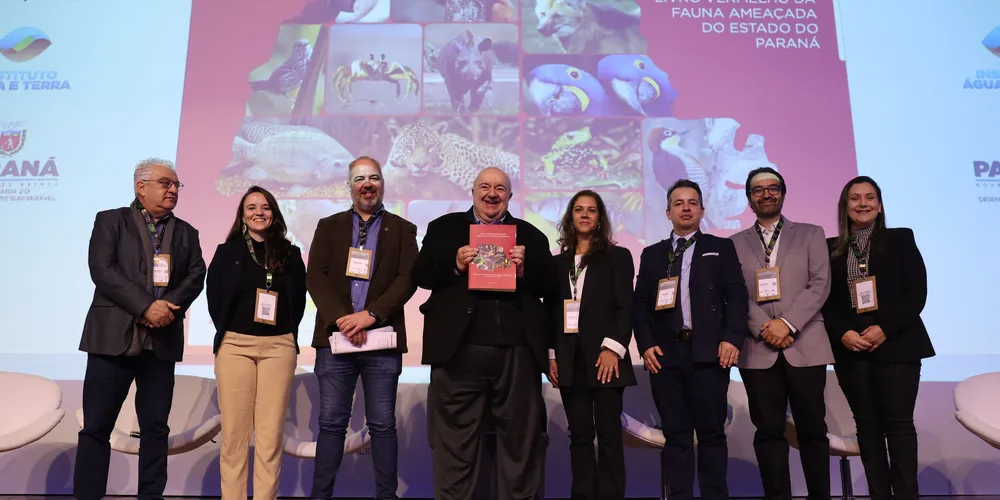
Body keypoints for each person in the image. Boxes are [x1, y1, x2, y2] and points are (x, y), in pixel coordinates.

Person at [416, 167, 557, 500]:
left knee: (522, 442)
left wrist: (525, 270)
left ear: (510, 195)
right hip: (458, 350)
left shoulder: (530, 234)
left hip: (517, 351)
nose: (492, 194)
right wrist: (455, 264)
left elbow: (551, 285)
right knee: (454, 443)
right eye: (485, 187)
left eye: (500, 188)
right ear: (473, 191)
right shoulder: (444, 228)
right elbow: (421, 274)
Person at [75, 158, 206, 500]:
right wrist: (146, 306)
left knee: (156, 429)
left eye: (177, 185)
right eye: (166, 183)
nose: (173, 190)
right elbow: (102, 270)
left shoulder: (187, 232)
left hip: (160, 341)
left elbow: (196, 276)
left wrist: (165, 308)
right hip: (111, 339)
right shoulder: (110, 221)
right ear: (141, 186)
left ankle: (151, 496)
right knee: (96, 428)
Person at [306, 156, 418, 500]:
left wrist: (370, 315)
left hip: (380, 340)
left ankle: (387, 495)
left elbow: (407, 279)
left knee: (383, 425)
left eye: (373, 178)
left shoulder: (402, 229)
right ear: (350, 186)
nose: (366, 184)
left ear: (383, 183)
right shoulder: (328, 225)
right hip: (335, 340)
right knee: (331, 425)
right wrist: (342, 318)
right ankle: (320, 496)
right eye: (359, 179)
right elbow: (316, 276)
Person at [633, 180, 748, 500]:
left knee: (712, 435)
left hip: (709, 353)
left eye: (692, 202)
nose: (686, 207)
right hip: (666, 356)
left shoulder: (720, 247)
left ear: (701, 210)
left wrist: (732, 339)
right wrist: (644, 344)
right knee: (677, 435)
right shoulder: (652, 254)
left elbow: (737, 297)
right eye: (679, 203)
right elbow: (640, 302)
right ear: (668, 212)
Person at [822, 176, 934, 500]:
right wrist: (843, 332)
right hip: (851, 347)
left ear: (880, 204)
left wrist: (883, 327)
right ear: (845, 206)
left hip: (896, 342)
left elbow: (916, 293)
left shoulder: (900, 239)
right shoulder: (829, 248)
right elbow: (823, 299)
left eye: (870, 197)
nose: (863, 204)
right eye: (855, 198)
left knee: (898, 427)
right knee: (867, 428)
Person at [730, 167, 833, 500]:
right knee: (769, 432)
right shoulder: (732, 243)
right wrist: (764, 326)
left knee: (813, 432)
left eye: (772, 188)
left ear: (783, 193)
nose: (766, 194)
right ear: (749, 199)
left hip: (804, 343)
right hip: (758, 348)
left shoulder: (811, 233)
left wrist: (786, 324)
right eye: (757, 190)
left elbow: (819, 284)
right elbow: (734, 294)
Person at [206, 186, 307, 500]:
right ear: (242, 215)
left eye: (265, 207)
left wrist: (288, 334)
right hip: (235, 346)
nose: (258, 212)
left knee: (269, 436)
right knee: (235, 437)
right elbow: (214, 297)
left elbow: (299, 300)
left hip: (278, 348)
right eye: (251, 207)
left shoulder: (290, 253)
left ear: (274, 213)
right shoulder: (228, 252)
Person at [548, 189, 636, 500]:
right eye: (579, 209)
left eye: (592, 210)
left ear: (600, 218)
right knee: (580, 437)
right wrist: (552, 356)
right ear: (570, 217)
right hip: (570, 361)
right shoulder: (556, 264)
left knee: (610, 435)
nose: (585, 214)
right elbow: (550, 312)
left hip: (606, 360)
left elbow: (626, 307)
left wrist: (613, 348)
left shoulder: (618, 257)